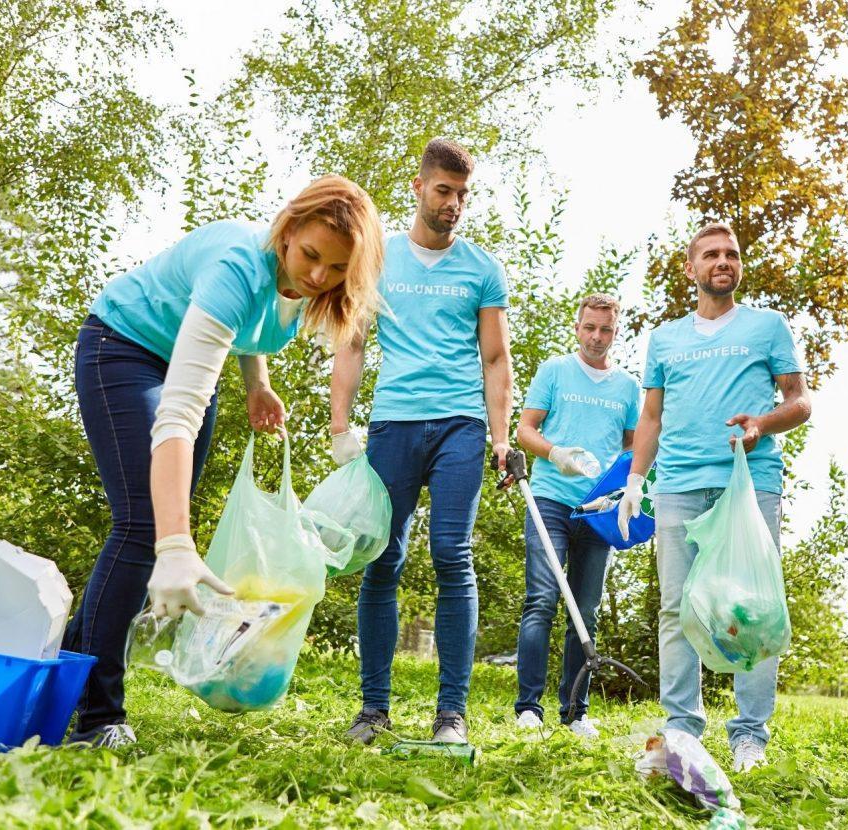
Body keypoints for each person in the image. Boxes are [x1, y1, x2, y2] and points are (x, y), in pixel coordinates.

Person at [64, 175, 385, 747]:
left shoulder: (303, 284)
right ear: (287, 230)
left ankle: (61, 670)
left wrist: (256, 383)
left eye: (337, 269)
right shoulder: (236, 266)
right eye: (312, 256)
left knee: (156, 516)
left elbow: (246, 328)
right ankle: (97, 717)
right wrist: (175, 547)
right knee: (147, 525)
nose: (318, 277)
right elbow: (178, 416)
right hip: (124, 347)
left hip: (182, 363)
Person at [330, 139, 514, 746]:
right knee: (383, 557)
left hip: (461, 424)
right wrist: (339, 427)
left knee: (451, 554)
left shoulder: (483, 269)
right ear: (418, 187)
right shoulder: (377, 258)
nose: (453, 203)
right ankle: (373, 710)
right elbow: (352, 344)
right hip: (394, 424)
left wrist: (502, 437)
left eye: (462, 194)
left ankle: (450, 715)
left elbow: (495, 358)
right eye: (443, 191)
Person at [618, 222, 811, 772]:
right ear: (691, 269)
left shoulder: (767, 327)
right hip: (678, 484)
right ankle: (681, 732)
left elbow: (799, 402)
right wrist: (635, 481)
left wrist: (762, 424)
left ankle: (750, 735)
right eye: (710, 254)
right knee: (677, 607)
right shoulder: (665, 338)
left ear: (739, 266)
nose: (722, 261)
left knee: (753, 605)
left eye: (731, 254)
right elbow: (651, 416)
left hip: (748, 482)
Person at [512, 293, 640, 738]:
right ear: (577, 327)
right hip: (550, 499)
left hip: (599, 509)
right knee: (542, 599)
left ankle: (575, 712)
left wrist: (627, 486)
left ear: (615, 332)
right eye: (589, 328)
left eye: (605, 330)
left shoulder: (628, 387)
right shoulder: (554, 371)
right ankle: (528, 708)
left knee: (585, 610)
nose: (596, 337)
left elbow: (632, 446)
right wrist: (555, 453)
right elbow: (524, 429)